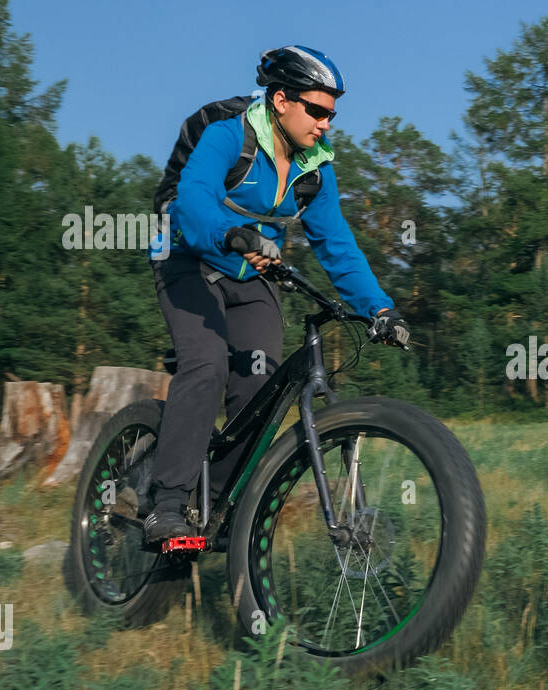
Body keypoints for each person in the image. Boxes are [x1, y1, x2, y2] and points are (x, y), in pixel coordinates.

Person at [143, 45, 409, 544]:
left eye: (333, 113)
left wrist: (379, 307)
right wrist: (229, 233)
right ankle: (168, 504)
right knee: (207, 364)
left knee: (259, 386)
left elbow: (336, 244)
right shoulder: (230, 136)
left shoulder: (315, 170)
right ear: (281, 100)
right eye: (318, 110)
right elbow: (193, 199)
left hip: (254, 273)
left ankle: (219, 503)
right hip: (187, 257)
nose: (326, 123)